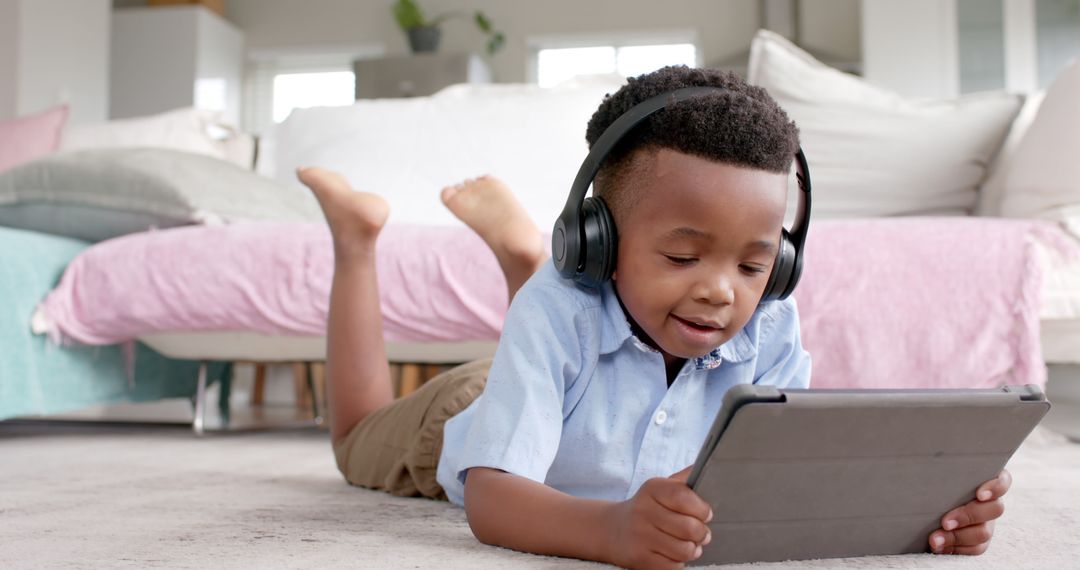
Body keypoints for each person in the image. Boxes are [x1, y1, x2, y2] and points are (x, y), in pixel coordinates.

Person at [297, 66, 1011, 568]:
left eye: (753, 266)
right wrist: (610, 530)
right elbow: (491, 503)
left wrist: (926, 517)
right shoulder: (559, 311)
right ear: (596, 242)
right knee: (355, 434)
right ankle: (356, 240)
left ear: (782, 265)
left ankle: (518, 254)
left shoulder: (770, 325)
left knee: (555, 319)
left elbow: (792, 481)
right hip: (471, 405)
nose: (721, 293)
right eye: (682, 257)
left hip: (565, 382)